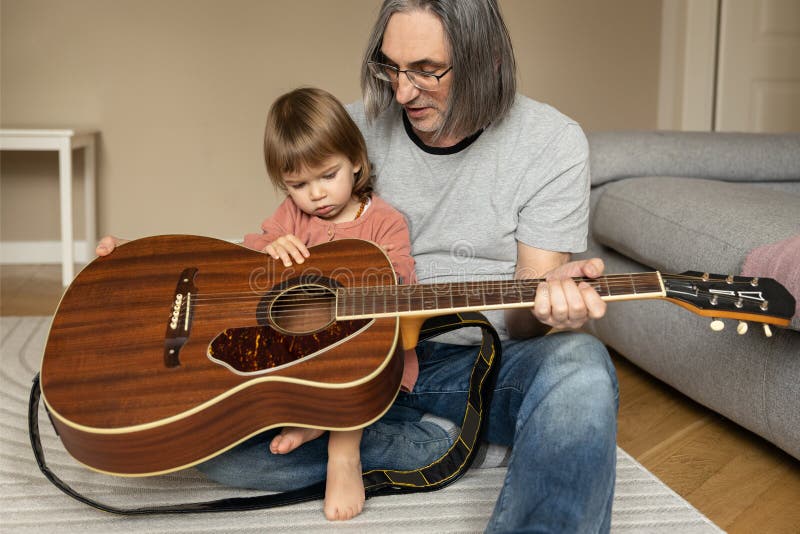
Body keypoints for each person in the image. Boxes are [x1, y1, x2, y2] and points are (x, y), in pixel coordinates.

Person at [102, 1, 618, 531]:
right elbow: (274, 251)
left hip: (473, 362)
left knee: (579, 366)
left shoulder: (552, 144)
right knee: (210, 442)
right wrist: (151, 261)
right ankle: (428, 438)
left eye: (425, 70)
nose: (400, 92)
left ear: (488, 62)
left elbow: (524, 319)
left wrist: (555, 308)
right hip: (339, 355)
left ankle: (382, 431)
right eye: (389, 66)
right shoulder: (350, 131)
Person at [97, 87, 422, 522]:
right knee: (258, 378)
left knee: (350, 362)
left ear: (356, 161)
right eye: (298, 185)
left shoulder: (385, 221)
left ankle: (342, 455)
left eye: (328, 175)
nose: (316, 194)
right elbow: (252, 252)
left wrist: (379, 275)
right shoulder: (293, 214)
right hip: (298, 359)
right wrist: (273, 245)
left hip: (363, 356)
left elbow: (402, 276)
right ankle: (312, 416)